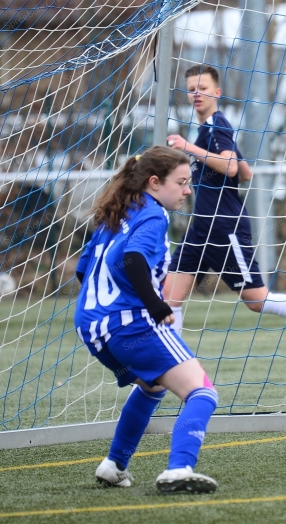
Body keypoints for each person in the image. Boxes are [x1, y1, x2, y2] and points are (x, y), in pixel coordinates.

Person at [74, 146, 218, 492]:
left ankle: (114, 464)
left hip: (91, 326)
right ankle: (179, 470)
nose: (187, 190)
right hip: (130, 323)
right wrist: (156, 306)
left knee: (152, 386)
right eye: (181, 182)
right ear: (154, 183)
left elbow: (83, 272)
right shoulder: (153, 215)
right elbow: (135, 258)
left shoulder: (116, 213)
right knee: (202, 392)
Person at [164, 64, 286, 343]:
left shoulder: (216, 125)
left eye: (203, 88)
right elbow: (245, 172)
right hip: (200, 229)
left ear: (217, 92)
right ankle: (171, 363)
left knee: (256, 301)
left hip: (224, 228)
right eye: (191, 89)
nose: (196, 94)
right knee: (168, 299)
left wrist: (188, 148)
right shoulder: (208, 130)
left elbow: (231, 168)